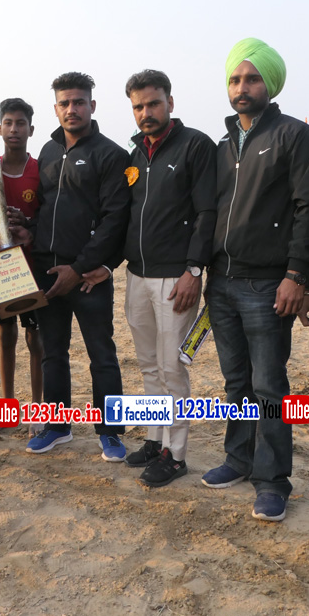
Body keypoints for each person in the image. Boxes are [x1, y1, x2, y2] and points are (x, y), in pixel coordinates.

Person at [203, 39, 309, 522]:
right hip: (221, 282)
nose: (242, 87)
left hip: (268, 285)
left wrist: (297, 275)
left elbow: (308, 208)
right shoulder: (222, 146)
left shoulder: (295, 136)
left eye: (252, 79)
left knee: (269, 384)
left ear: (270, 84)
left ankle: (273, 481)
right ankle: (239, 458)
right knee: (236, 381)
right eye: (235, 79)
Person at [17, 72, 130, 460]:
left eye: (79, 102)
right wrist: (28, 231)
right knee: (52, 353)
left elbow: (115, 219)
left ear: (92, 105)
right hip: (48, 272)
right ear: (55, 108)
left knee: (102, 355)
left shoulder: (111, 154)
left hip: (88, 277)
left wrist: (80, 268)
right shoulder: (48, 152)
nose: (72, 109)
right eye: (64, 103)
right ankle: (56, 426)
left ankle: (110, 432)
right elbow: (45, 209)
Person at [119, 69, 216, 487]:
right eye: (138, 106)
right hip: (137, 275)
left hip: (176, 277)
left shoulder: (195, 145)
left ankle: (175, 455)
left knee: (172, 368)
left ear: (170, 103)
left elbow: (207, 213)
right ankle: (155, 438)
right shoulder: (136, 154)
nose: (146, 112)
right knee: (148, 366)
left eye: (153, 103)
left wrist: (194, 269)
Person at [0, 98, 44, 412]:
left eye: (21, 123)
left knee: (36, 338)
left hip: (32, 266)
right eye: (8, 123)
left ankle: (37, 409)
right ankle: (6, 405)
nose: (14, 129)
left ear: (31, 129)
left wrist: (29, 224)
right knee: (5, 335)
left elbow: (48, 216)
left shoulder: (40, 170)